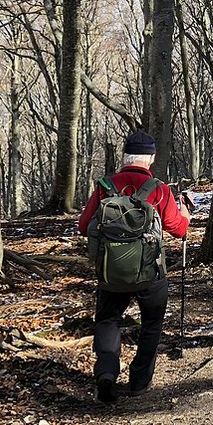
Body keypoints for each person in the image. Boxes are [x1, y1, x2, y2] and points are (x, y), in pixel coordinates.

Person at [78, 131, 191, 404]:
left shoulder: (105, 185)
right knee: (152, 323)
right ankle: (139, 382)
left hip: (110, 272)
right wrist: (186, 216)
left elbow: (83, 226)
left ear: (124, 156)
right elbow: (177, 229)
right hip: (150, 272)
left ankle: (106, 374)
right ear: (150, 158)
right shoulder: (158, 189)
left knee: (108, 320)